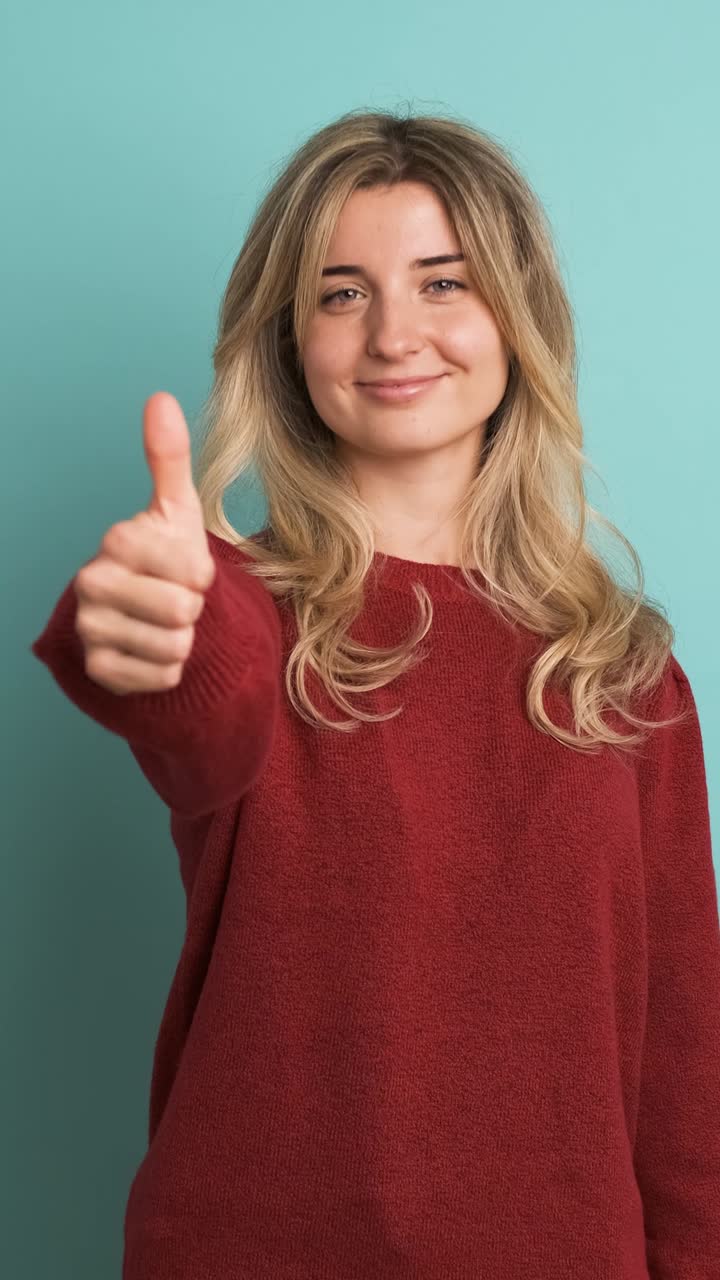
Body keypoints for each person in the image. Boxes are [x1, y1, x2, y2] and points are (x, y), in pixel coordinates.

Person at [30, 108, 720, 1279]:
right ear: (290, 340)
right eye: (342, 294)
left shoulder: (624, 673)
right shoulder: (242, 606)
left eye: (442, 282)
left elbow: (683, 1072)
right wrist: (150, 624)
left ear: (517, 318)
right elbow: (203, 704)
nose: (395, 333)